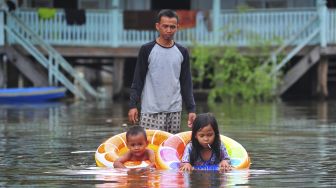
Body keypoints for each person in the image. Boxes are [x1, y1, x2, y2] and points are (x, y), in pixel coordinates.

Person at [128, 9, 196, 134]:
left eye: (172, 27)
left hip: (174, 110)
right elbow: (138, 80)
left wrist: (191, 109)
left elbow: (186, 82)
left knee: (170, 149)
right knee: (150, 146)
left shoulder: (182, 51)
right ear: (158, 26)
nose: (169, 30)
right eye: (165, 26)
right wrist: (133, 105)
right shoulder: (147, 49)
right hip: (151, 110)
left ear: (177, 27)